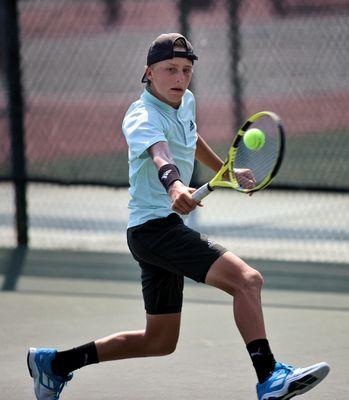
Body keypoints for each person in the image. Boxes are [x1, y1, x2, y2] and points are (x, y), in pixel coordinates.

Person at [27, 33, 330, 400]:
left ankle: (55, 364)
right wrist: (174, 187)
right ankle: (269, 376)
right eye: (170, 69)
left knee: (160, 340)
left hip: (155, 232)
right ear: (149, 73)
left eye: (186, 70)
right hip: (155, 229)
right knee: (247, 281)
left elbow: (190, 136)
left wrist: (226, 170)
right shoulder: (141, 115)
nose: (180, 77)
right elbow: (161, 153)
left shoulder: (184, 101)